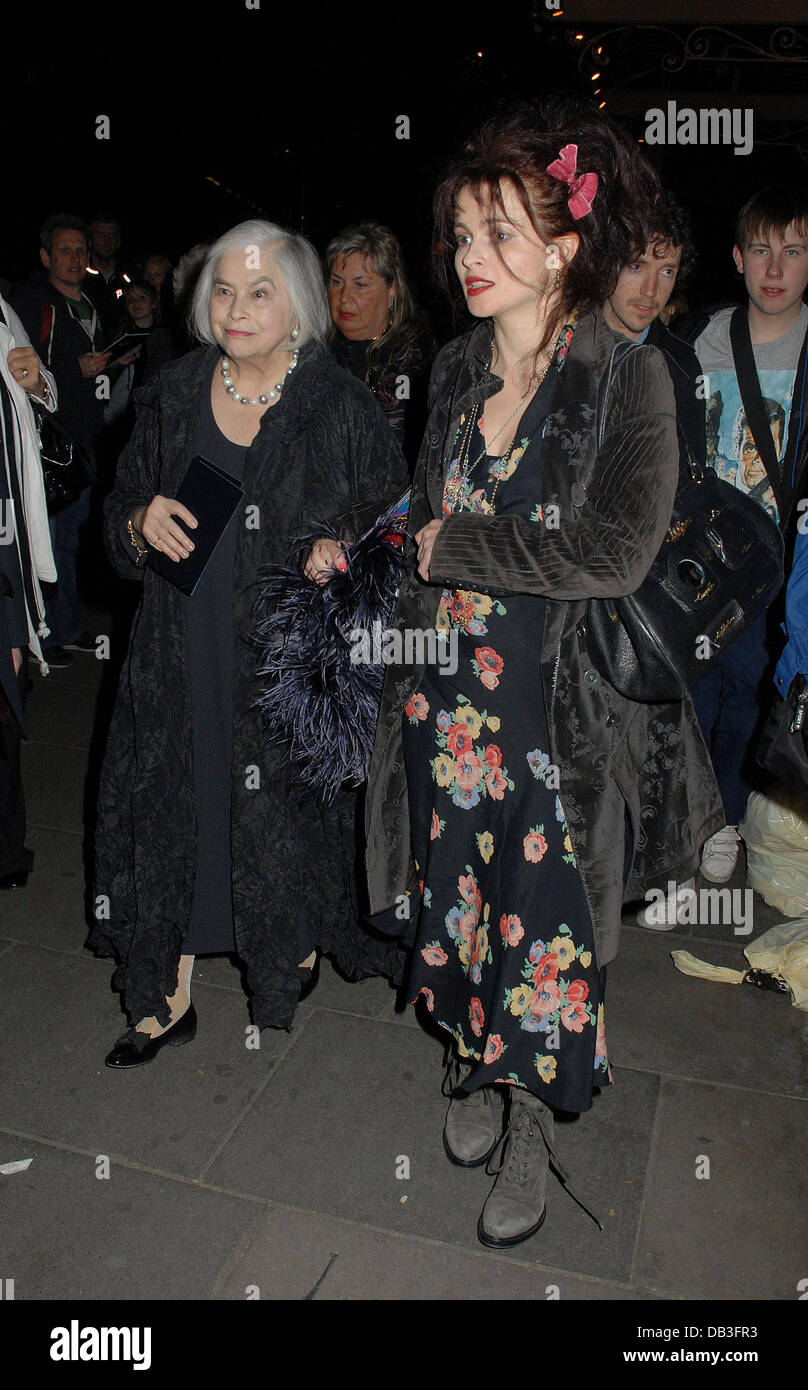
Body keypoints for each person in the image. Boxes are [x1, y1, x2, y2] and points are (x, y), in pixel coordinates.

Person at [350, 103, 722, 1249]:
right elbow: (428, 510)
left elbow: (610, 555)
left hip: (555, 717)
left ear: (563, 248)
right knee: (457, 911)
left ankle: (529, 1116)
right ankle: (475, 1056)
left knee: (543, 932)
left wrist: (452, 546)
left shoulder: (629, 380)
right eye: (461, 232)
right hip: (445, 700)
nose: (469, 256)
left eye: (497, 232)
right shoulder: (455, 367)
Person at [90, 218, 408, 1068]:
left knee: (273, 811)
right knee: (177, 797)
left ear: (297, 304)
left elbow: (393, 520)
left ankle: (286, 936)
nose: (237, 307)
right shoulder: (176, 387)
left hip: (280, 658)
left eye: (260, 291)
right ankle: (168, 984)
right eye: (223, 289)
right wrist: (136, 520)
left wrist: (338, 548)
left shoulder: (336, 403)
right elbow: (118, 502)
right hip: (176, 643)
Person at [600, 195, 716, 929]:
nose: (650, 286)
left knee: (653, 734)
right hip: (571, 577)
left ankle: (667, 863)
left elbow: (691, 479)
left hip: (647, 590)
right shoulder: (558, 346)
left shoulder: (674, 360)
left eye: (667, 269)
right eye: (637, 264)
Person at [690, 186, 808, 885]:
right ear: (737, 257)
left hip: (775, 566)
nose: (774, 267)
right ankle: (683, 818)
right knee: (686, 697)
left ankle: (723, 821)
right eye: (761, 249)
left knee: (749, 699)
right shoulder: (699, 339)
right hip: (698, 560)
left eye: (792, 251)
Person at [9, 214, 111, 665]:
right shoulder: (31, 302)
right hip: (49, 442)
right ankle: (41, 632)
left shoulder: (91, 301)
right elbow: (24, 373)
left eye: (81, 250)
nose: (75, 258)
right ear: (46, 256)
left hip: (83, 437)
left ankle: (65, 625)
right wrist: (76, 370)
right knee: (44, 539)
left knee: (69, 539)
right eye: (65, 250)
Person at [0, 292, 57, 887]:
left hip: (3, 546)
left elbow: (44, 395)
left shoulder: (3, 310)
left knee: (6, 699)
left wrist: (37, 380)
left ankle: (6, 851)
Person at [325, 221, 434, 464]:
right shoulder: (315, 355)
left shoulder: (420, 363)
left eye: (360, 285)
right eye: (336, 282)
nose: (344, 297)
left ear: (391, 292)